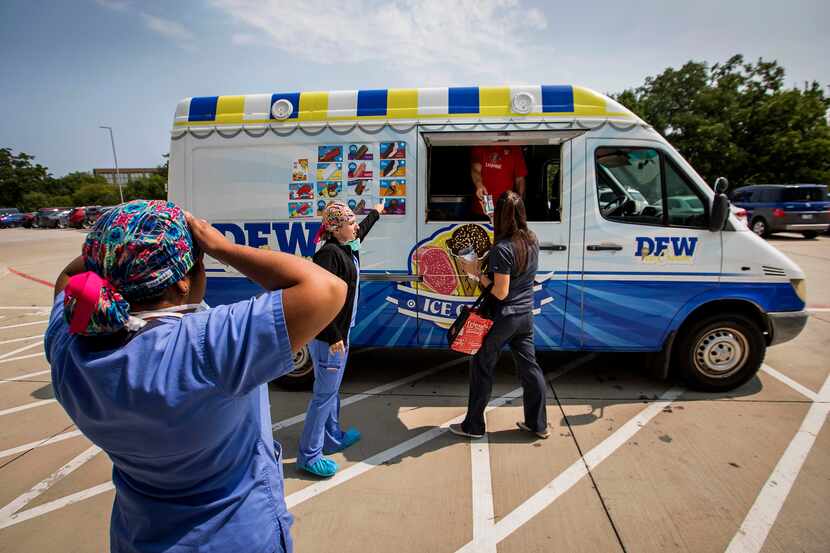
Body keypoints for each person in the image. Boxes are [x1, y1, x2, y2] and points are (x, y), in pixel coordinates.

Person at [45, 200, 346, 553]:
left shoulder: (70, 345)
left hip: (140, 536)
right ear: (183, 283)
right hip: (235, 537)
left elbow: (69, 278)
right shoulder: (205, 348)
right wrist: (224, 247)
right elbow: (327, 288)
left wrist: (118, 246)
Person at [450, 191, 549, 440]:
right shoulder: (531, 239)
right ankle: (538, 424)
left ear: (502, 219)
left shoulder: (502, 249)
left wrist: (475, 273)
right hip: (525, 315)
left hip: (504, 317)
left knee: (482, 366)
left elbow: (501, 292)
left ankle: (473, 426)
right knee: (530, 369)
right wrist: (493, 211)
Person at [297, 200, 384, 477]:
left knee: (331, 392)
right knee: (323, 396)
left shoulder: (347, 245)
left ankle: (332, 436)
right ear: (335, 229)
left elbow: (362, 229)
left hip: (340, 334)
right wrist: (334, 334)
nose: (355, 226)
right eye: (350, 222)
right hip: (328, 337)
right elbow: (318, 298)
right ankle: (309, 455)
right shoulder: (329, 255)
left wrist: (377, 213)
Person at [470, 145, 527, 217]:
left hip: (505, 210)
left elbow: (520, 179)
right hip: (481, 210)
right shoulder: (480, 145)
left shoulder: (515, 148)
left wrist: (520, 202)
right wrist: (479, 184)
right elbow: (475, 169)